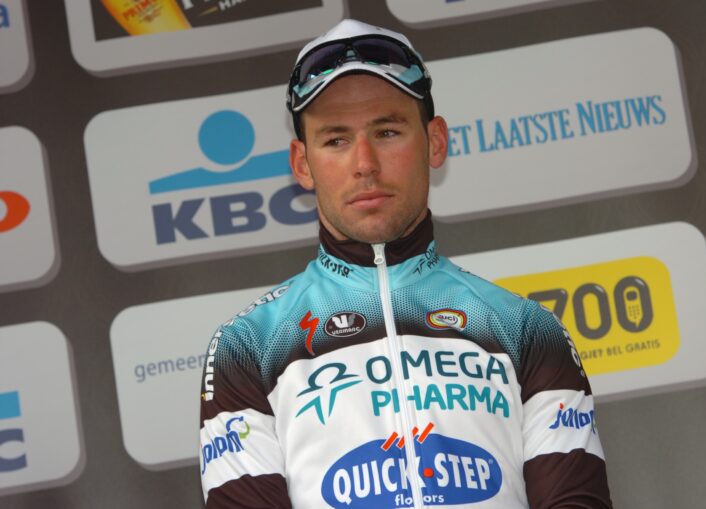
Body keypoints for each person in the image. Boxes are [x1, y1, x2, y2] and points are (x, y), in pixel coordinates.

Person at [199, 19, 612, 509]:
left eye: (388, 131)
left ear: (435, 141)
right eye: (336, 140)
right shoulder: (248, 346)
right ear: (302, 163)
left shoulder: (527, 329)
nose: (365, 163)